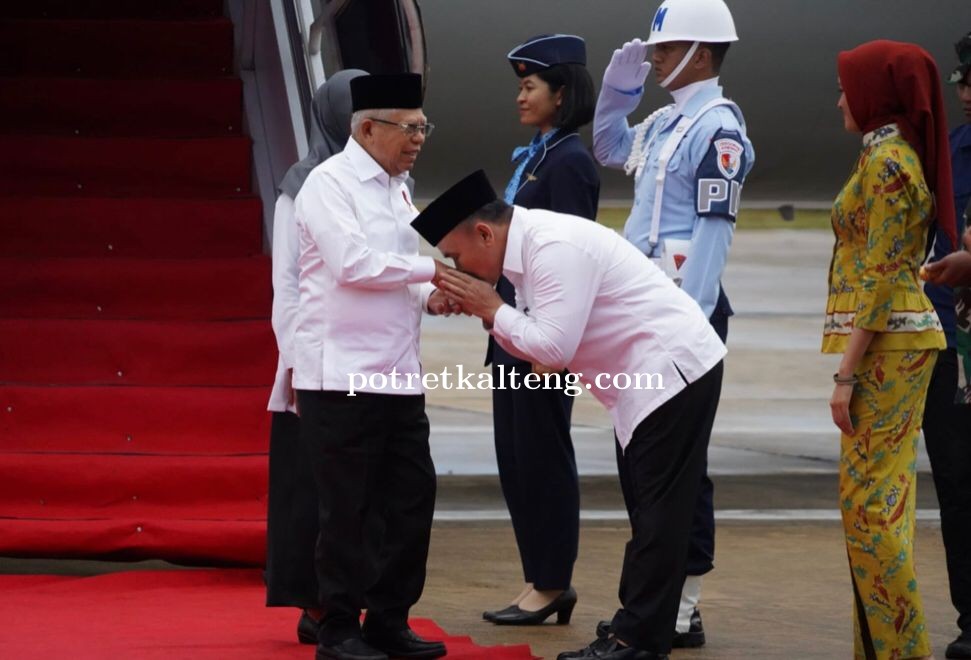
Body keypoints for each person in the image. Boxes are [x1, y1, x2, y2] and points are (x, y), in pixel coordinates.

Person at [415, 170, 727, 660]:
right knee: (651, 512)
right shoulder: (526, 254)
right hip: (645, 382)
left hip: (671, 373)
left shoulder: (551, 247)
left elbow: (552, 350)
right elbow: (535, 349)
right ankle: (643, 624)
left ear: (484, 233)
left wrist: (494, 309)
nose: (458, 268)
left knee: (659, 515)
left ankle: (637, 641)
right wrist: (492, 311)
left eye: (456, 258)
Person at [591, 0, 753, 647]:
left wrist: (686, 319)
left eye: (665, 49)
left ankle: (680, 605)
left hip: (678, 317)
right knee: (639, 463)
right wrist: (616, 91)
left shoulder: (718, 130)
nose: (654, 58)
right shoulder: (664, 122)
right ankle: (663, 602)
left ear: (702, 54)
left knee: (677, 469)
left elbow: (713, 233)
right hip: (642, 314)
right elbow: (608, 146)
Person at [292, 72, 451, 660]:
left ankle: (389, 618)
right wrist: (432, 273)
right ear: (365, 128)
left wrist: (427, 296)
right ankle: (337, 627)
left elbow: (395, 274)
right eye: (408, 128)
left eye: (422, 127)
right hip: (341, 377)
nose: (418, 139)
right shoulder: (328, 185)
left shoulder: (398, 188)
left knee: (411, 499)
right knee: (349, 510)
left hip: (398, 372)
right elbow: (354, 264)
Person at [825, 40, 956, 660]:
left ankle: (902, 651)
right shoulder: (885, 156)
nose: (839, 99)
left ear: (877, 95)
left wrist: (845, 374)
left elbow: (881, 276)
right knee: (883, 505)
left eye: (849, 87)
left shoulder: (888, 163)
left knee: (870, 510)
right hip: (897, 340)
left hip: (890, 345)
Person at [482, 33, 599, 626]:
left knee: (542, 459)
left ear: (562, 93)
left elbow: (569, 258)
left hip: (539, 344)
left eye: (530, 87)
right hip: (511, 335)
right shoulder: (538, 156)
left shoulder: (570, 163)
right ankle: (539, 576)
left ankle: (552, 582)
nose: (520, 97)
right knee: (516, 459)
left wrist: (543, 345)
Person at [265, 68, 368, 646]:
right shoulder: (300, 186)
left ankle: (357, 599)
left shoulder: (381, 183)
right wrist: (298, 365)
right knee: (317, 490)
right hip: (318, 362)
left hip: (371, 364)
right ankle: (318, 603)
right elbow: (288, 287)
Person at [919, 31, 971, 660]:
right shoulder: (949, 150)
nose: (964, 90)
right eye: (962, 81)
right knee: (957, 487)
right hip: (950, 348)